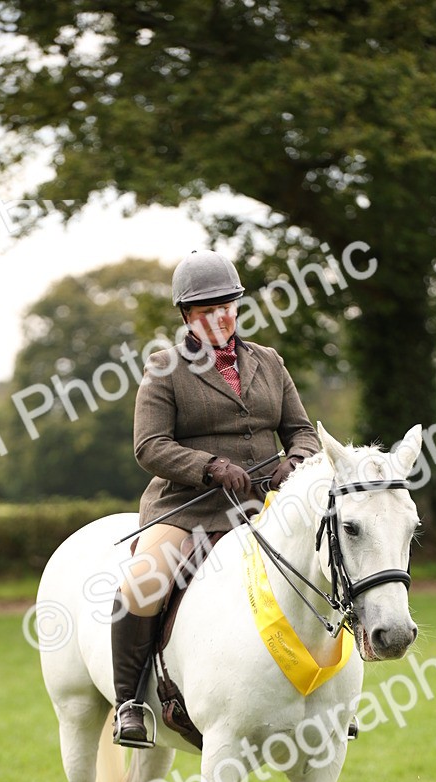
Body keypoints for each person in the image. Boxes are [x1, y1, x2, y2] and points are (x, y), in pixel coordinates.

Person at [111, 249, 320, 747]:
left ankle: (326, 699)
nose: (220, 317)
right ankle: (129, 702)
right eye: (207, 311)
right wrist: (208, 467)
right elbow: (149, 446)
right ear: (187, 316)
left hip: (264, 507)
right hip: (189, 510)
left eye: (227, 306)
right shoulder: (164, 369)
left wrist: (297, 461)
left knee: (327, 563)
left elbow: (303, 431)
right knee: (144, 580)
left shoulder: (269, 362)